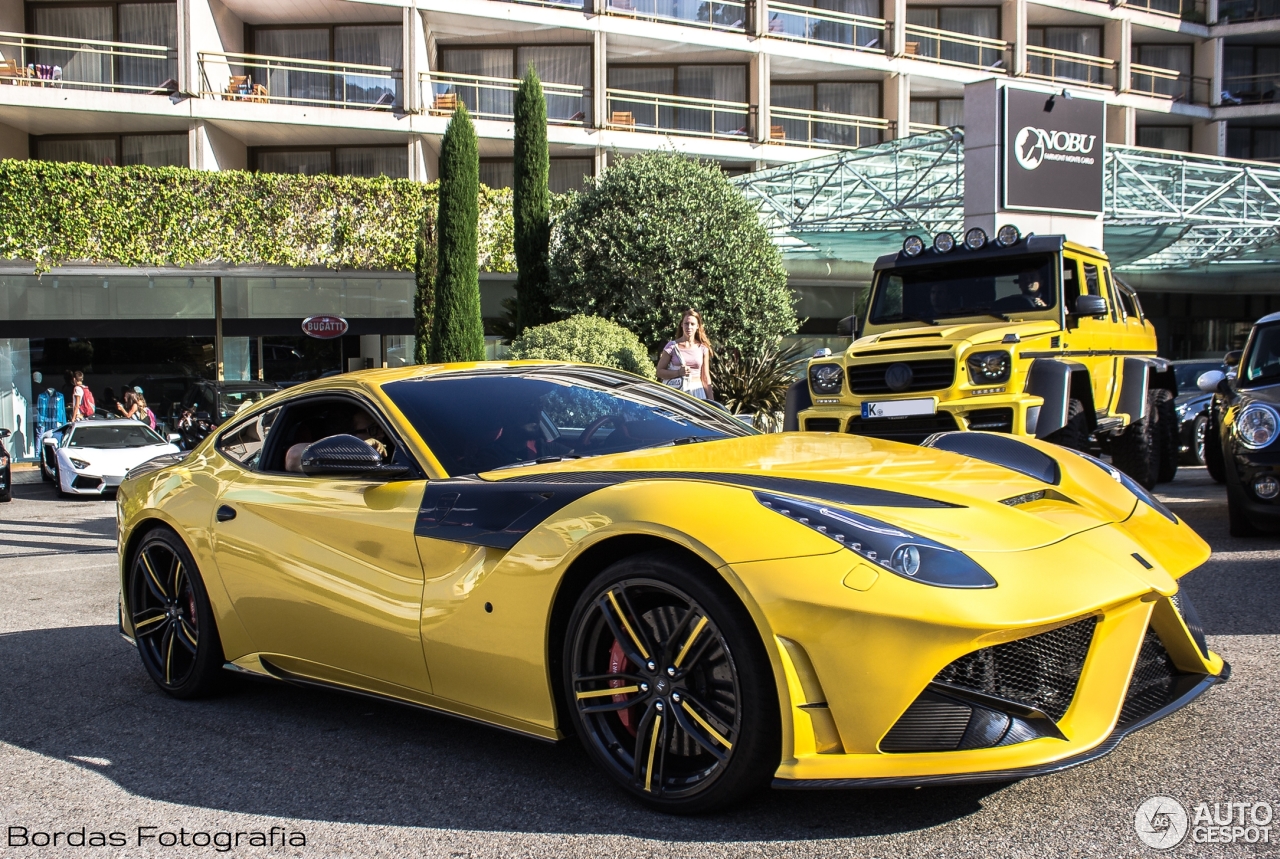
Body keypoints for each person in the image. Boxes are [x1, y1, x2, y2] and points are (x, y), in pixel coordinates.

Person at [656, 308, 715, 401]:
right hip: (676, 392)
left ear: (698, 326)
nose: (689, 327)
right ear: (681, 325)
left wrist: (712, 404)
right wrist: (678, 373)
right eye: (686, 323)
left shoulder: (703, 348)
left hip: (697, 392)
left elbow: (706, 378)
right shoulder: (672, 346)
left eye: (692, 324)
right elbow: (659, 372)